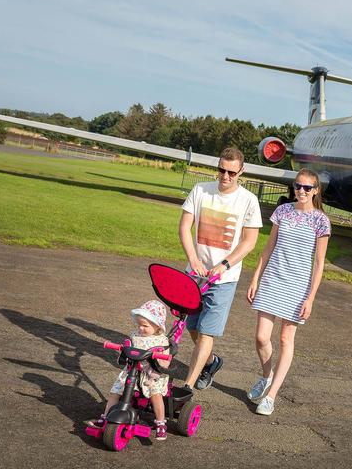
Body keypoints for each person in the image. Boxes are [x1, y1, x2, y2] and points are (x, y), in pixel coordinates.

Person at [246, 168, 331, 416]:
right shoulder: (282, 211)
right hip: (273, 279)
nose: (301, 191)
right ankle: (266, 376)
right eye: (297, 186)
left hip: (298, 286)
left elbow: (319, 262)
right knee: (261, 337)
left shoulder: (321, 220)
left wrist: (311, 297)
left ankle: (271, 396)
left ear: (316, 190)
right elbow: (269, 246)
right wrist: (255, 278)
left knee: (285, 339)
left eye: (307, 188)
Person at [179, 147, 262, 391]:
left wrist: (224, 265)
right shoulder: (201, 190)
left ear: (241, 172)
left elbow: (249, 241)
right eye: (221, 170)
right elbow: (184, 227)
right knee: (191, 327)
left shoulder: (248, 200)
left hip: (224, 279)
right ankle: (212, 362)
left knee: (206, 332)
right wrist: (193, 259)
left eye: (231, 173)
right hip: (194, 273)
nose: (225, 177)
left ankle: (187, 387)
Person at [87, 300, 171, 440]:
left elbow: (166, 359)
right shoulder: (135, 335)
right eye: (139, 325)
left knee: (155, 394)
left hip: (151, 374)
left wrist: (161, 360)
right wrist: (122, 347)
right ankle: (105, 416)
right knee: (115, 391)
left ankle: (161, 422)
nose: (141, 328)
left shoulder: (161, 341)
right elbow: (127, 346)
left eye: (145, 326)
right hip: (131, 370)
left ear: (157, 326)